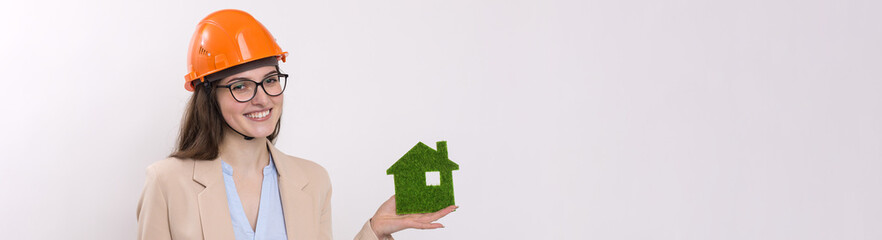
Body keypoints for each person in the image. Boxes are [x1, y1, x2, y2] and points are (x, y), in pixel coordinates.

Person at [136, 9, 457, 240]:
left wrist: (374, 231)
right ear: (209, 96)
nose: (262, 98)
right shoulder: (166, 182)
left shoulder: (313, 180)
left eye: (271, 80)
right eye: (241, 85)